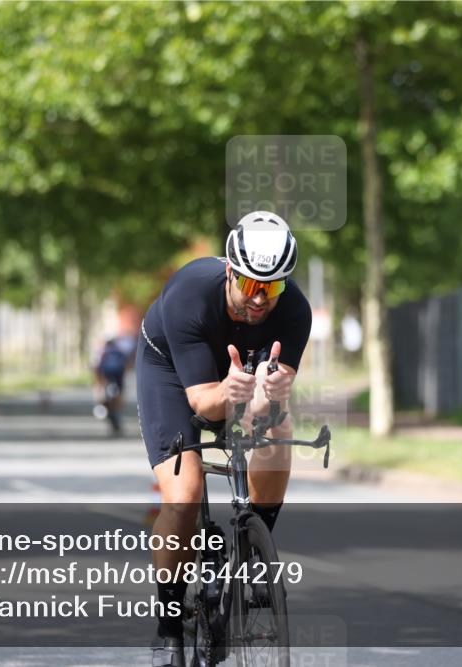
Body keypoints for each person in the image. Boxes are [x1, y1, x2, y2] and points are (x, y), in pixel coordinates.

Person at [137, 211, 311, 665]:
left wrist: (265, 397)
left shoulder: (294, 310)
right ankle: (169, 626)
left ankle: (256, 550)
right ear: (231, 271)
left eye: (271, 288)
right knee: (186, 491)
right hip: (174, 377)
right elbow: (202, 405)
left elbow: (271, 397)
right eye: (251, 285)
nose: (260, 300)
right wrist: (228, 393)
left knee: (279, 425)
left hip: (238, 376)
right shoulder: (189, 294)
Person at [93, 336, 131, 435]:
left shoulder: (103, 352)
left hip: (107, 377)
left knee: (104, 397)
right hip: (118, 377)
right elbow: (126, 365)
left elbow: (97, 366)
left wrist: (98, 382)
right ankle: (117, 411)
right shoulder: (120, 351)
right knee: (119, 396)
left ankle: (107, 411)